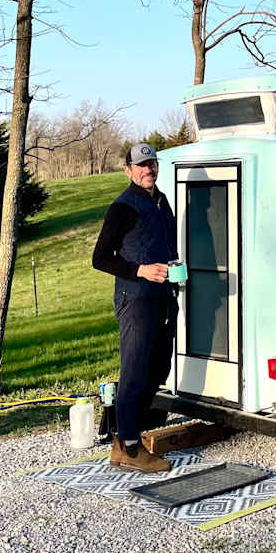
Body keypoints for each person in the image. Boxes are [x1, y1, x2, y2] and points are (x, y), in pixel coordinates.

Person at [91, 142, 178, 473]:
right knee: (136, 370)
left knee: (159, 368)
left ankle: (124, 437)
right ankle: (128, 446)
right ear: (128, 170)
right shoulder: (122, 207)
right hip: (135, 298)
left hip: (162, 296)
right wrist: (140, 270)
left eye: (151, 164)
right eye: (141, 165)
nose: (148, 170)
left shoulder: (160, 201)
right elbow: (100, 258)